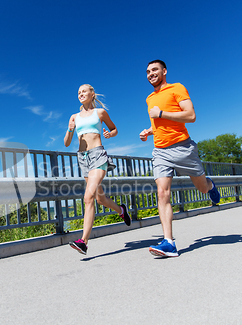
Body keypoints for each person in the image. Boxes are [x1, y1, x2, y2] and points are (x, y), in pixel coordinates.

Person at [140, 60, 221, 258]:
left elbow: (191, 115)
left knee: (201, 187)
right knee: (162, 193)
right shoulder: (149, 98)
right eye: (148, 71)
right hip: (160, 151)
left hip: (183, 148)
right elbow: (160, 124)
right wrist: (149, 131)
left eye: (155, 70)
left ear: (164, 71)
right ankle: (169, 242)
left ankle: (210, 186)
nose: (151, 74)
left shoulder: (177, 88)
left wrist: (161, 113)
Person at [65, 84, 131, 255]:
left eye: (84, 91)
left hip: (98, 155)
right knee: (99, 199)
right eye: (78, 92)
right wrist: (70, 130)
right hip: (82, 158)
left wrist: (110, 134)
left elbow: (114, 129)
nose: (80, 94)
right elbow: (66, 142)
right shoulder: (74, 117)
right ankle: (121, 210)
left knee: (88, 197)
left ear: (92, 94)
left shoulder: (100, 113)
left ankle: (83, 241)